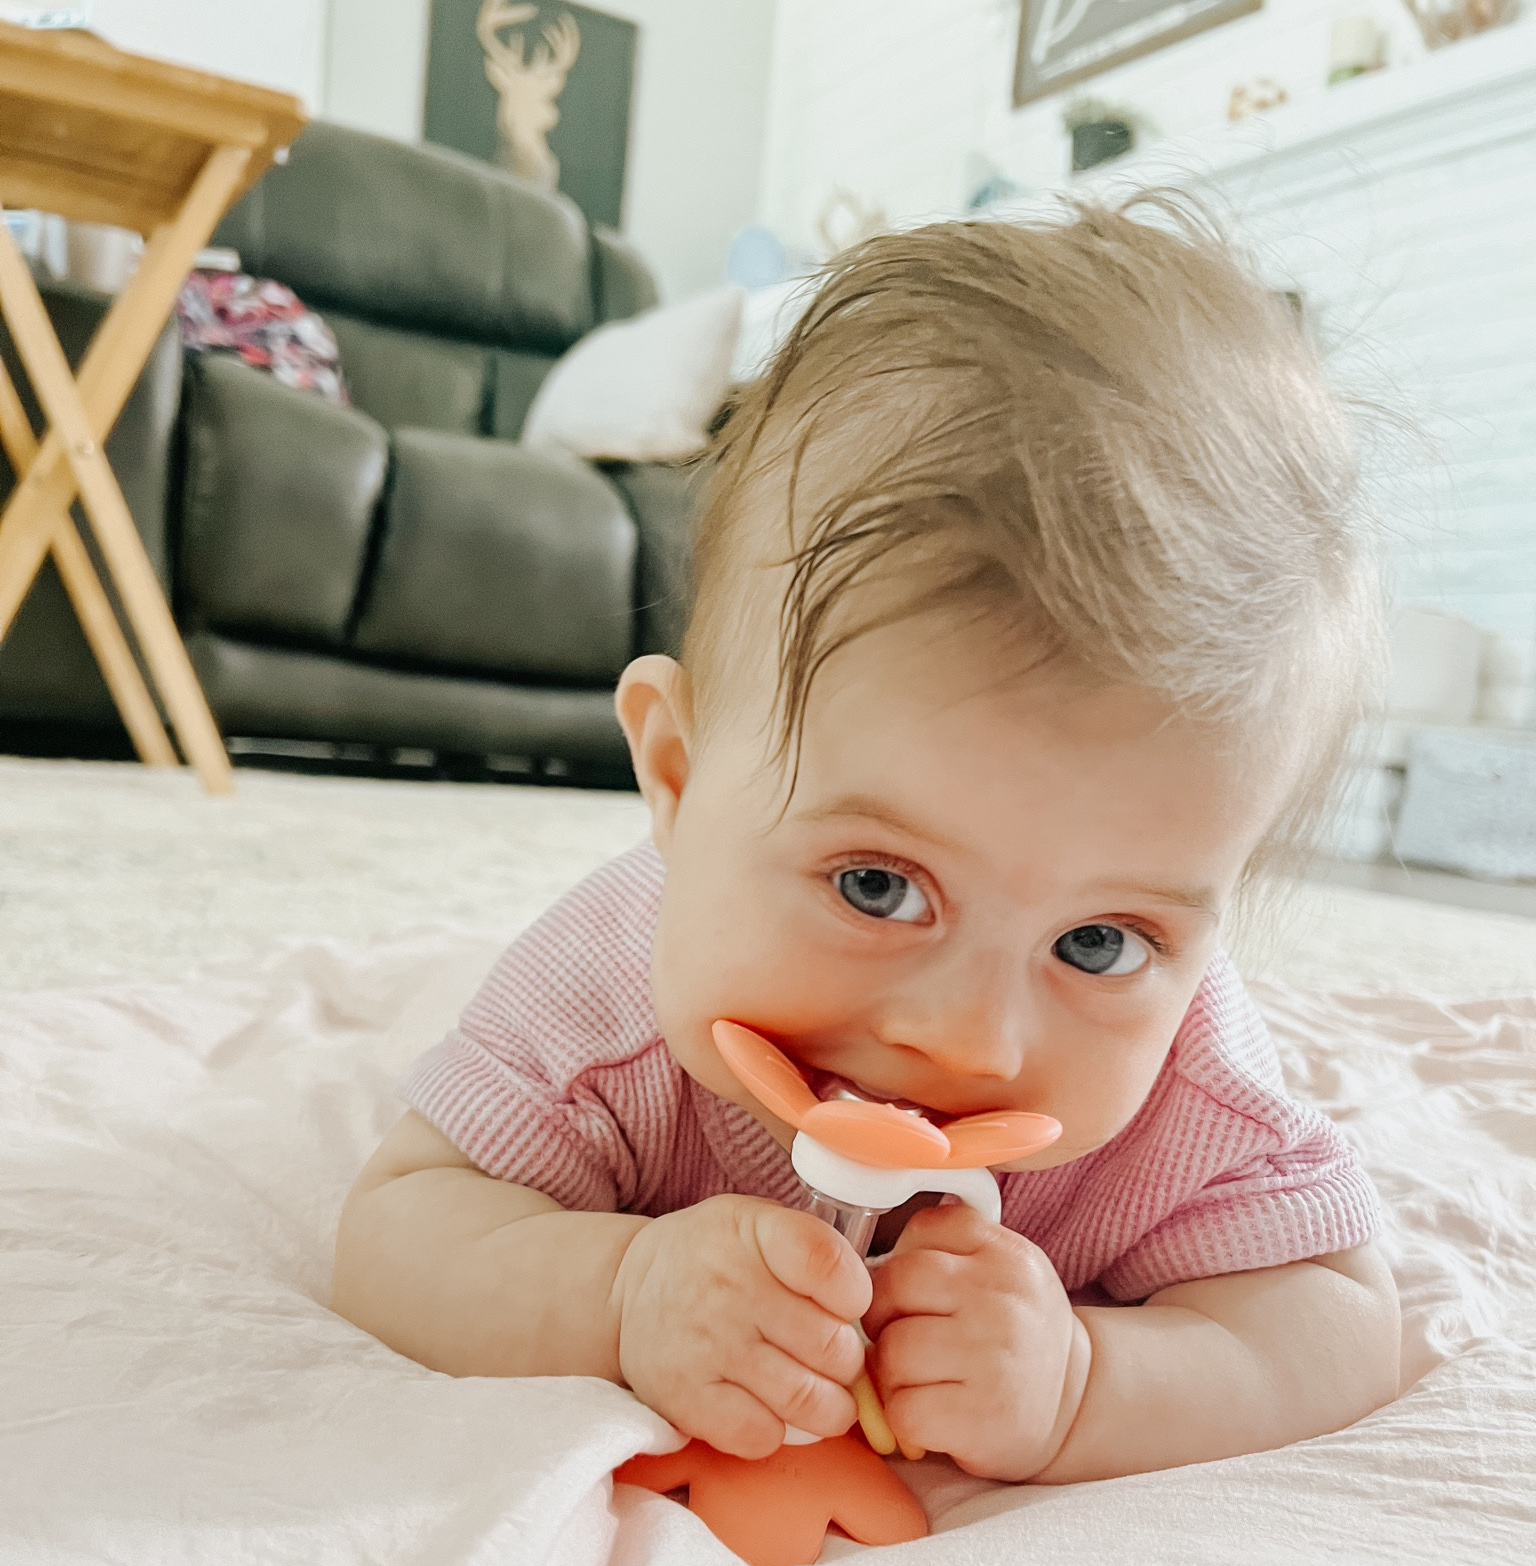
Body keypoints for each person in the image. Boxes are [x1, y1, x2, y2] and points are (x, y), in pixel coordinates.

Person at [331, 202, 1401, 1485]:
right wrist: (620, 1289)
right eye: (878, 885)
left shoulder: (1184, 1086)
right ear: (676, 771)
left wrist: (1086, 1384)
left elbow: (1338, 1320)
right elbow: (397, 1226)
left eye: (1099, 940)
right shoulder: (599, 1005)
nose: (972, 1042)